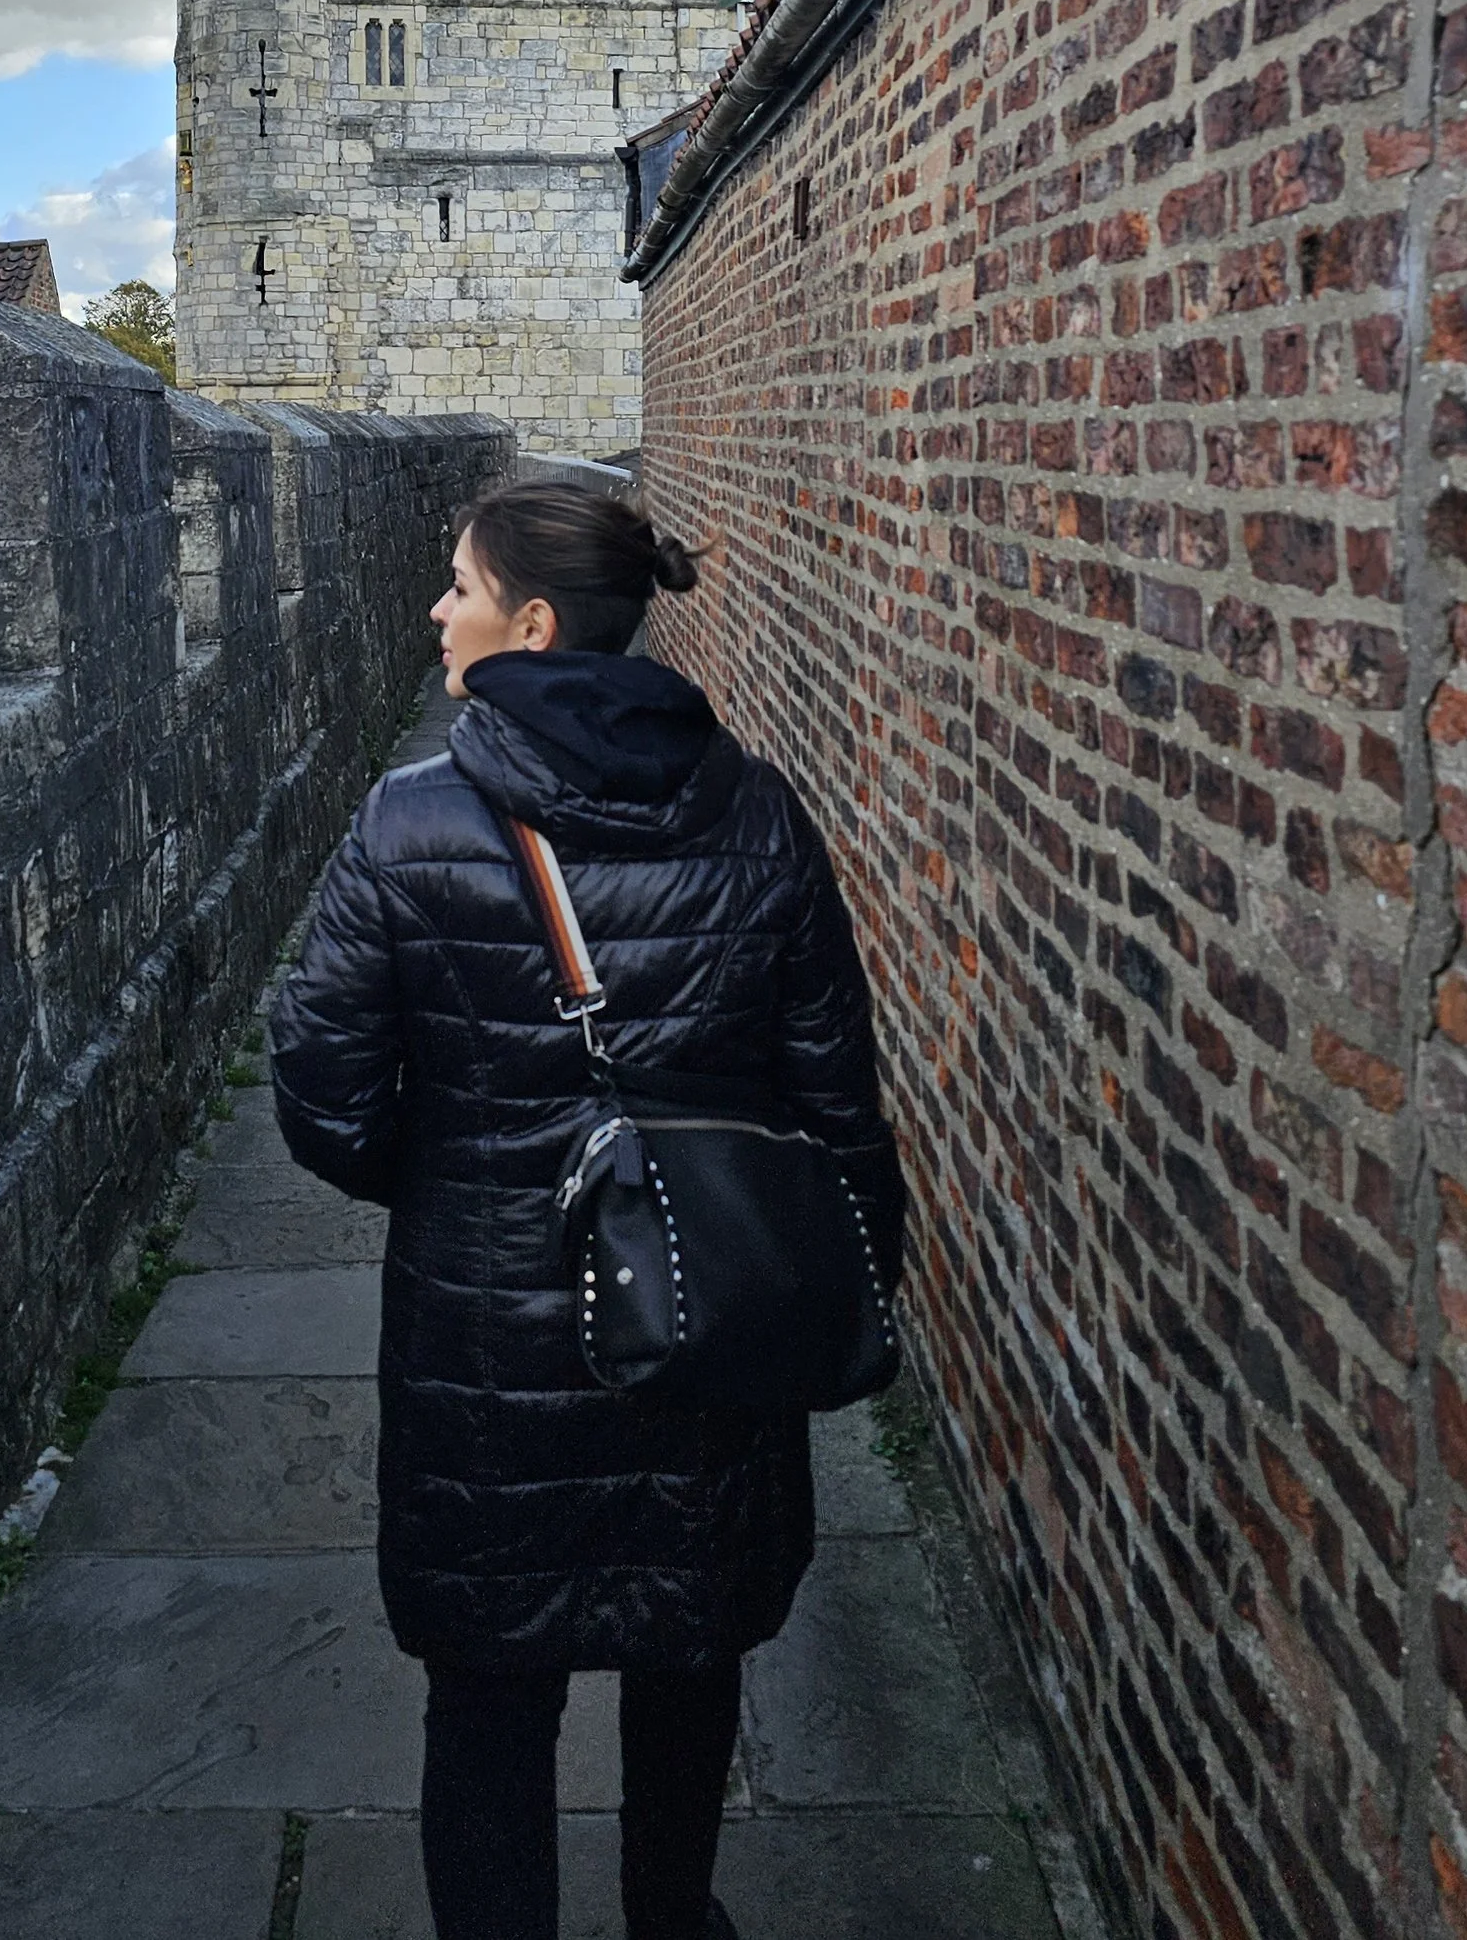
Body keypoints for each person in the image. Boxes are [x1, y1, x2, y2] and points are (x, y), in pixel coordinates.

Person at [271, 479, 905, 1940]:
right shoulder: (758, 814)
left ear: (534, 624)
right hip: (712, 1331)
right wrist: (834, 1300)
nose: (439, 610)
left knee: (490, 1696)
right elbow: (836, 1111)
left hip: (487, 1349)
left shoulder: (411, 823)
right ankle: (673, 1919)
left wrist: (461, 1193)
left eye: (461, 586)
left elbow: (324, 1092)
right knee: (690, 1656)